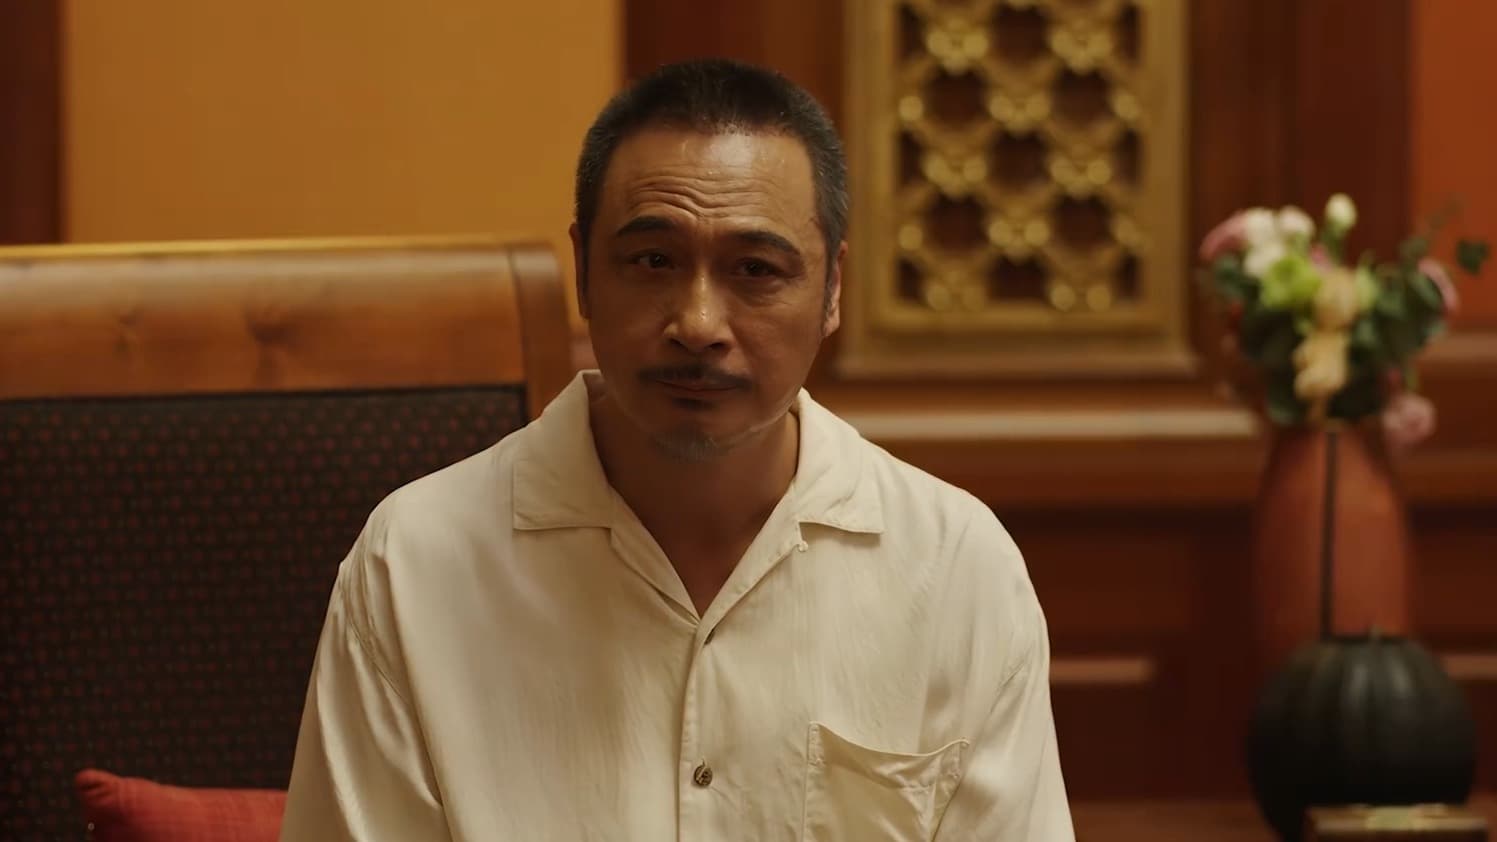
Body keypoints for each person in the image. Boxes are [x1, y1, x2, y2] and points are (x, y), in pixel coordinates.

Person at [280, 57, 1073, 841]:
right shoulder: (414, 563)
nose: (697, 324)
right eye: (652, 260)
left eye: (754, 268)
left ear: (832, 289)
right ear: (584, 272)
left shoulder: (954, 567)